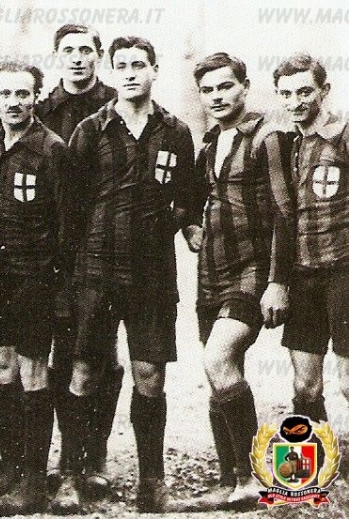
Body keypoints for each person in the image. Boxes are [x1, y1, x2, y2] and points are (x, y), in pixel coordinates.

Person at [66, 36, 197, 513]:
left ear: (155, 70)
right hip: (96, 272)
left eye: (138, 64)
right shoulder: (91, 129)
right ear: (111, 71)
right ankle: (72, 474)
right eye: (121, 65)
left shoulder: (176, 132)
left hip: (152, 275)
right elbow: (71, 204)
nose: (130, 73)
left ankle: (152, 480)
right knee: (84, 370)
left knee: (149, 374)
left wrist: (164, 224)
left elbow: (188, 197)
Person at [176, 52, 290, 512]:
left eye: (225, 86)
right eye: (208, 90)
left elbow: (285, 212)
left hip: (253, 269)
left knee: (218, 357)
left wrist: (278, 282)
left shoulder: (267, 137)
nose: (217, 96)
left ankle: (251, 477)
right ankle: (230, 481)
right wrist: (190, 226)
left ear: (244, 86)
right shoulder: (209, 143)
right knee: (218, 372)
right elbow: (192, 199)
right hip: (211, 272)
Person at [0, 61, 69, 516]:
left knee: (33, 372)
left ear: (36, 96)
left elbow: (67, 224)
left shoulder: (52, 149)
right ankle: (10, 468)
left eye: (23, 93)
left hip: (34, 278)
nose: (14, 102)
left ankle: (33, 481)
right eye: (5, 93)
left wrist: (57, 284)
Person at [35, 24, 117, 513]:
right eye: (69, 51)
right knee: (57, 354)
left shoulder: (114, 107)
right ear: (57, 56)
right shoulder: (44, 108)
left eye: (87, 50)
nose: (78, 58)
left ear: (98, 56)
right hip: (50, 246)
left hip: (100, 246)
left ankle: (94, 453)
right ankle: (57, 456)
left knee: (100, 354)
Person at [261, 53, 349, 454]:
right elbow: (284, 218)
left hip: (344, 271)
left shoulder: (343, 134)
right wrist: (278, 281)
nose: (295, 101)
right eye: (286, 94)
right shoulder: (288, 144)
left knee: (348, 381)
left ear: (323, 91)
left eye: (304, 92)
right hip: (304, 276)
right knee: (305, 384)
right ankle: (316, 466)